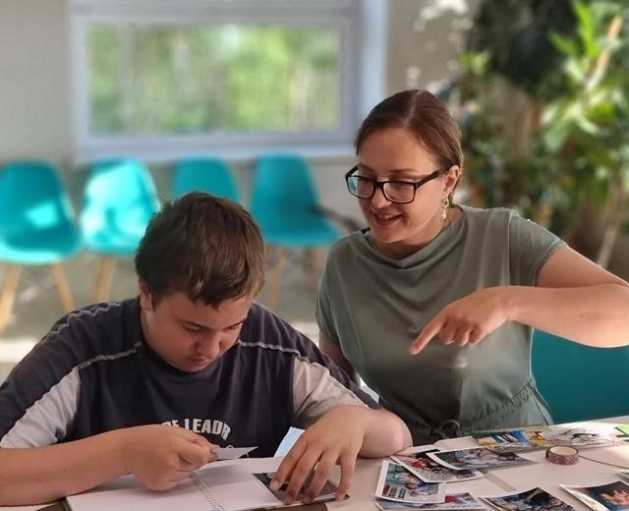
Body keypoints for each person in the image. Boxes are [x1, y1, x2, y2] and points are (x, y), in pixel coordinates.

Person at [0, 193, 411, 506]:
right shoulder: (83, 346)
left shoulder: (269, 341)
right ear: (147, 294)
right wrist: (123, 453)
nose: (212, 348)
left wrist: (355, 422)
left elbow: (397, 435)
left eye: (232, 327)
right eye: (192, 327)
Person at [316, 89, 629, 444]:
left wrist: (505, 302)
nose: (377, 200)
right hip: (404, 457)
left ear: (449, 181)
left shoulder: (502, 236)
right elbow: (333, 391)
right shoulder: (344, 264)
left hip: (516, 452)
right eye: (367, 178)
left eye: (401, 183)